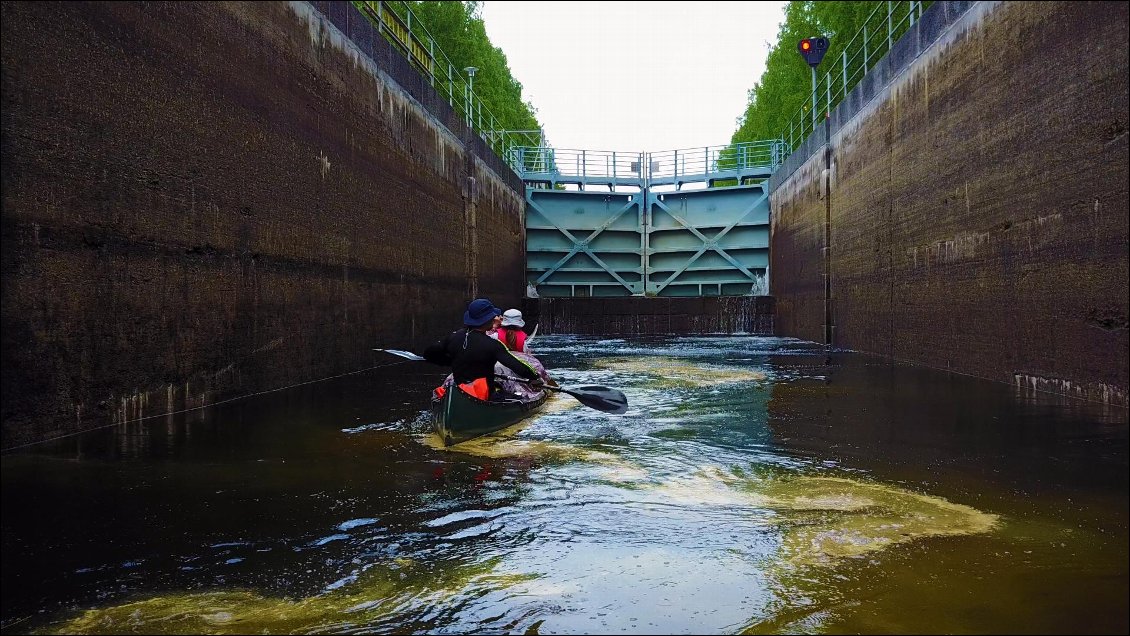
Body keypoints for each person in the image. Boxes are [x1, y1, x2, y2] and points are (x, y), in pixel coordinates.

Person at [423, 298, 542, 400]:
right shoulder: (493, 345)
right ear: (488, 320)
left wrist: (450, 361)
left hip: (459, 390)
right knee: (518, 397)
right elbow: (516, 365)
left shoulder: (452, 337)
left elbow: (429, 354)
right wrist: (535, 378)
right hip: (485, 395)